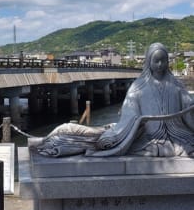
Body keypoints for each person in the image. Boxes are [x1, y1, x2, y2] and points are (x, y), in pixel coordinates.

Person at [30, 43, 194, 157]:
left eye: (163, 60)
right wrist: (136, 122)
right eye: (155, 61)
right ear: (148, 62)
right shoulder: (138, 87)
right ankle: (58, 136)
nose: (159, 64)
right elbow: (130, 113)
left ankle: (54, 138)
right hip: (144, 134)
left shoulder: (176, 85)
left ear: (168, 62)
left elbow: (188, 110)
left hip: (176, 134)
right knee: (100, 138)